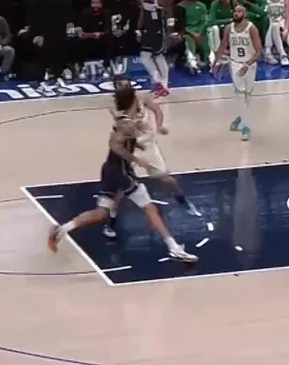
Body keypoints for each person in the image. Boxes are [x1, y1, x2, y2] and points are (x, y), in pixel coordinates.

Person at [47, 84, 197, 263]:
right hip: (121, 171)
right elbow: (114, 144)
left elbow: (124, 138)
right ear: (133, 100)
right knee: (150, 208)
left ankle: (62, 230)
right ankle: (174, 248)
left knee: (100, 213)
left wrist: (135, 142)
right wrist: (135, 158)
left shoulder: (126, 121)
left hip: (109, 169)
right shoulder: (126, 124)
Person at [110, 79, 201, 231]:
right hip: (131, 145)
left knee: (166, 179)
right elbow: (120, 130)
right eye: (121, 86)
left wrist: (159, 126)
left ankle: (182, 200)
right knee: (121, 183)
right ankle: (111, 222)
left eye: (126, 85)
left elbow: (157, 110)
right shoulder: (117, 107)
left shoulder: (142, 97)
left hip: (148, 144)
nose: (125, 87)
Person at [214, 2, 262, 141]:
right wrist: (216, 61)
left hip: (249, 64)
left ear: (245, 14)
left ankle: (240, 118)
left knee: (248, 95)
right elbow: (223, 44)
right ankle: (246, 127)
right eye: (235, 11)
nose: (236, 13)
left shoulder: (251, 28)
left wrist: (248, 64)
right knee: (240, 94)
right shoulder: (229, 28)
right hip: (235, 63)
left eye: (239, 11)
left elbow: (259, 50)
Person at [139, 0, 172, 97]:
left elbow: (169, 13)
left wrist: (171, 31)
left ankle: (164, 85)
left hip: (159, 30)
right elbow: (142, 12)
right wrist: (138, 28)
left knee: (159, 57)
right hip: (147, 30)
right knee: (144, 56)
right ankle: (157, 81)